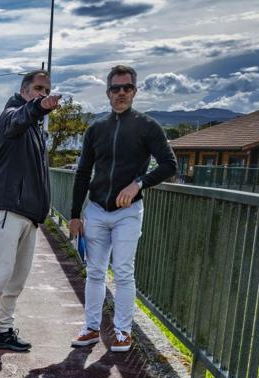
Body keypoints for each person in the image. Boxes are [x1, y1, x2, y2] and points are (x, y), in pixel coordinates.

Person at [68, 65, 176, 353]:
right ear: (108, 93)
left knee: (124, 272)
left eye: (126, 87)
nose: (121, 93)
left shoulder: (147, 126)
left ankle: (122, 332)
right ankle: (90, 328)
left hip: (128, 212)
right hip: (97, 210)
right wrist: (75, 215)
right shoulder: (96, 128)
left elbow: (169, 165)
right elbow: (82, 173)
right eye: (115, 88)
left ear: (135, 91)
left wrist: (139, 183)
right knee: (94, 271)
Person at [0, 71, 61, 358]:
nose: (42, 93)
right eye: (37, 88)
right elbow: (16, 121)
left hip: (29, 214)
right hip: (8, 208)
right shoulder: (11, 115)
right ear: (24, 90)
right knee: (0, 275)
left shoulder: (36, 129)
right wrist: (38, 107)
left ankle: (5, 331)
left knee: (17, 279)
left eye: (46, 90)